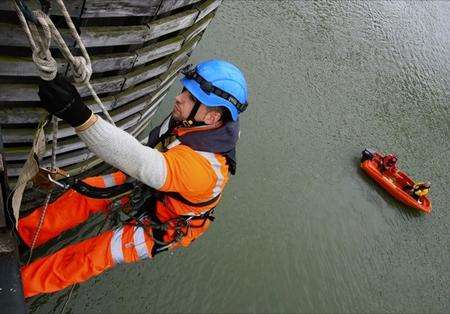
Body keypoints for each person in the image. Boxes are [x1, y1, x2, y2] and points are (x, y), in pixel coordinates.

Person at [18, 59, 248, 297]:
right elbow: (144, 156)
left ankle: (18, 287)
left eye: (191, 97)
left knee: (91, 255)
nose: (179, 98)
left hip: (165, 223)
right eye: (184, 91)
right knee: (85, 192)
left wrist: (77, 114)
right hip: (155, 189)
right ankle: (22, 235)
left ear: (211, 118)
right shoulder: (197, 123)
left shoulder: (202, 169)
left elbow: (141, 162)